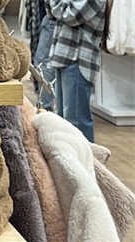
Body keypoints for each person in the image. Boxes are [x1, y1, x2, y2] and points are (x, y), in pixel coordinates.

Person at [45, 0, 108, 141]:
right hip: (63, 56)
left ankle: (86, 156)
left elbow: (71, 15)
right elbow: (51, 13)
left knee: (77, 123)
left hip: (79, 60)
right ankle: (71, 155)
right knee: (63, 123)